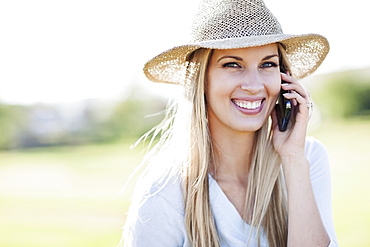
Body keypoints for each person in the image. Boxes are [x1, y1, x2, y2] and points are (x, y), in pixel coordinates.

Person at [121, 0, 337, 246]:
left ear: (285, 79)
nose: (254, 85)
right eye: (232, 64)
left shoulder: (307, 158)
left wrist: (293, 160)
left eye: (268, 64)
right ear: (202, 80)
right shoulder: (165, 194)